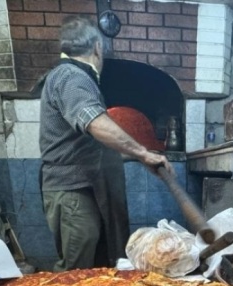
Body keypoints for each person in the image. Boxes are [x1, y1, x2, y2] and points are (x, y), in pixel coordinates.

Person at [38, 16, 173, 271]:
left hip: (83, 190)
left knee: (97, 268)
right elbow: (95, 123)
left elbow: (86, 144)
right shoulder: (71, 77)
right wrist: (143, 153)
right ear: (98, 47)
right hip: (75, 193)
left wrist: (135, 156)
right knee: (77, 273)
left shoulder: (70, 77)